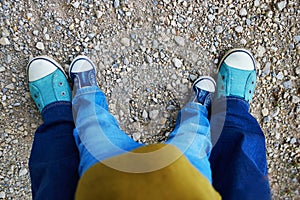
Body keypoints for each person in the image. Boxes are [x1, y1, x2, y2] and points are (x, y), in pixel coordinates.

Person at [27, 49, 271, 200]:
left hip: (100, 176)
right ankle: (218, 107)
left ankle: (66, 108)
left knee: (88, 127)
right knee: (203, 138)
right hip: (189, 176)